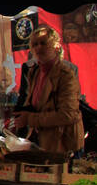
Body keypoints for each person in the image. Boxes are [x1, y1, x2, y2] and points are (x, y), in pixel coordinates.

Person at [13, 26, 84, 154]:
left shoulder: (65, 75)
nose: (38, 47)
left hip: (62, 144)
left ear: (56, 46)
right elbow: (35, 104)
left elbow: (68, 115)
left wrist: (29, 119)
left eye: (43, 43)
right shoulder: (34, 71)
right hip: (40, 140)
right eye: (35, 44)